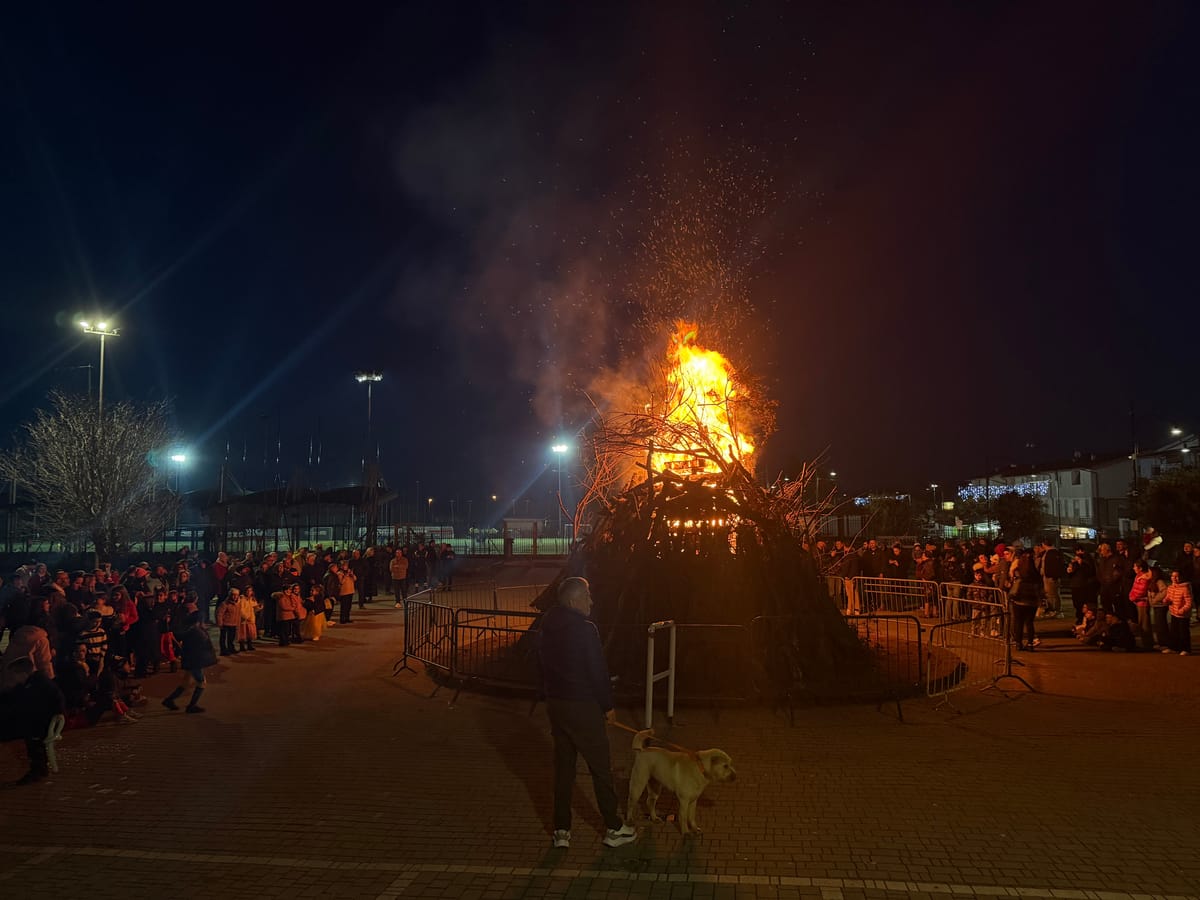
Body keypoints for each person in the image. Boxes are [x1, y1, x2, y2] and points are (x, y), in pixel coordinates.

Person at [537, 576, 637, 851]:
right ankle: (614, 828)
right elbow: (597, 671)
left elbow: (542, 664)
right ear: (574, 600)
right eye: (587, 596)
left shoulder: (547, 625)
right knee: (600, 768)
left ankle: (561, 829)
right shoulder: (585, 630)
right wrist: (607, 706)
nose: (591, 601)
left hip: (557, 704)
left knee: (564, 768)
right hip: (583, 705)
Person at [162, 612, 215, 714]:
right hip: (195, 661)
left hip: (190, 660)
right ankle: (191, 705)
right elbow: (203, 647)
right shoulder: (197, 632)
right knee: (201, 683)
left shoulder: (192, 630)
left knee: (185, 683)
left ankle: (169, 700)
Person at [1163, 570, 1193, 655]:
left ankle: (1186, 649)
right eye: (1173, 576)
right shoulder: (1170, 587)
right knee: (1174, 631)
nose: (1174, 578)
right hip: (1173, 612)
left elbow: (1189, 602)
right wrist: (1166, 600)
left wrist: (1182, 610)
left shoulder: (1185, 588)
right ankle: (1174, 647)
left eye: (1176, 576)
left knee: (1183, 632)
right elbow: (1168, 597)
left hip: (1183, 615)